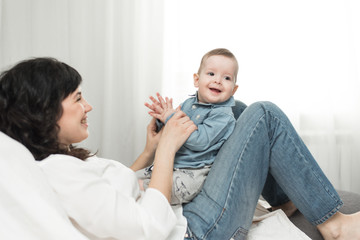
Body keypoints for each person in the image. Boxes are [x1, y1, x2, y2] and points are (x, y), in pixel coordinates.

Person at [0, 57, 359, 240]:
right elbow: (149, 228)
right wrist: (167, 149)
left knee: (234, 107)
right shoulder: (58, 174)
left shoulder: (62, 164)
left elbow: (113, 192)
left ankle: (285, 196)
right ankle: (334, 224)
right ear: (45, 110)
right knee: (263, 114)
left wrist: (148, 150)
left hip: (187, 216)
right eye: (78, 98)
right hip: (194, 231)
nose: (88, 106)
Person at [138, 48, 239, 205]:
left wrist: (171, 118)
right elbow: (171, 128)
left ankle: (145, 192)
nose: (218, 80)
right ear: (196, 80)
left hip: (193, 172)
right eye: (211, 74)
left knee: (170, 188)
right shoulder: (188, 103)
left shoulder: (223, 116)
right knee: (132, 177)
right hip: (172, 164)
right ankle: (137, 187)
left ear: (234, 89)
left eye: (226, 78)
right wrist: (162, 117)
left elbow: (199, 141)